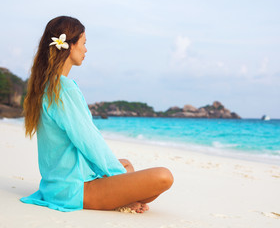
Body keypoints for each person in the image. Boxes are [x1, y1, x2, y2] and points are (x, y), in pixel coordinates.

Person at [21, 16, 173, 213]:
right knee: (163, 176)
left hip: (56, 186)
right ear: (70, 46)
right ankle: (122, 199)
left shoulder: (47, 87)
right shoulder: (63, 89)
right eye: (83, 44)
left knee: (126, 164)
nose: (85, 50)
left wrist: (118, 174)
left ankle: (123, 197)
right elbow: (89, 141)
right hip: (73, 190)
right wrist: (119, 178)